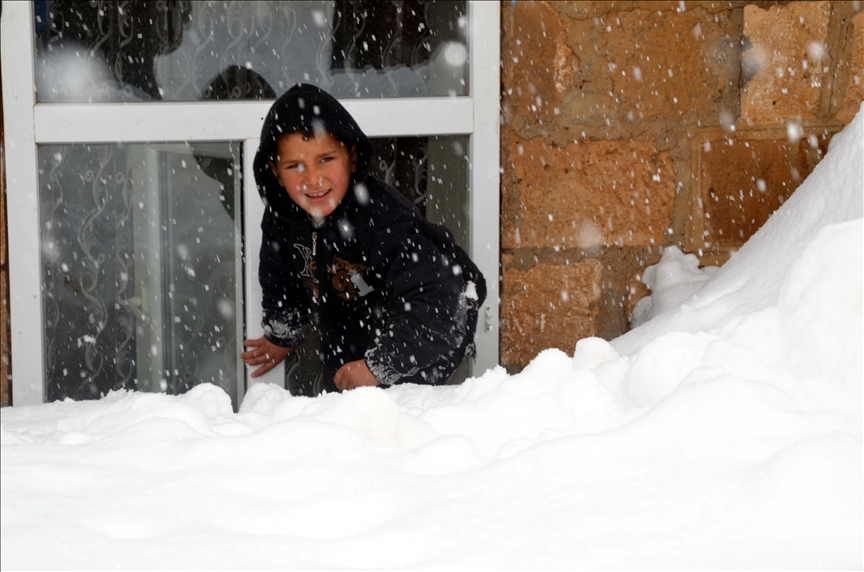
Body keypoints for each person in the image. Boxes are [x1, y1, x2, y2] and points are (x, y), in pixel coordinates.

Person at [240, 84, 486, 393]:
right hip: (349, 332)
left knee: (394, 422)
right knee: (344, 404)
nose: (312, 179)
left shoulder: (381, 219)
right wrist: (282, 333)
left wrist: (378, 367)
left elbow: (446, 303)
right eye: (294, 166)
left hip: (421, 341)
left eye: (325, 159)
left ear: (352, 159)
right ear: (275, 172)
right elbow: (280, 277)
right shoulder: (283, 217)